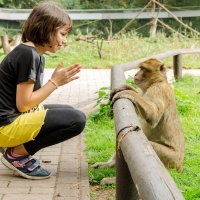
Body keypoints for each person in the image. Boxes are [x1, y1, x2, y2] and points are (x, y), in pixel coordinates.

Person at [0, 2, 86, 180]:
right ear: (45, 29)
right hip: (5, 126)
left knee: (70, 112)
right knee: (76, 120)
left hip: (10, 120)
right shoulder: (27, 54)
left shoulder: (33, 54)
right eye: (62, 34)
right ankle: (17, 155)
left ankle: (16, 149)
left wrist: (55, 83)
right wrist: (54, 82)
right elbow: (24, 104)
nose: (65, 40)